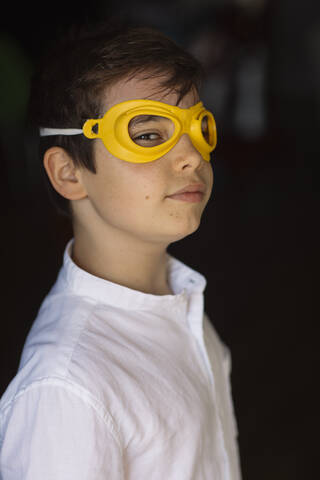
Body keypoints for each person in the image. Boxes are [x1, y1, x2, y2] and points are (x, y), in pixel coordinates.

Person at [0, 21, 242, 479]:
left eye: (198, 127)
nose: (191, 155)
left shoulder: (183, 303)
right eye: (149, 135)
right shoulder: (67, 390)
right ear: (69, 173)